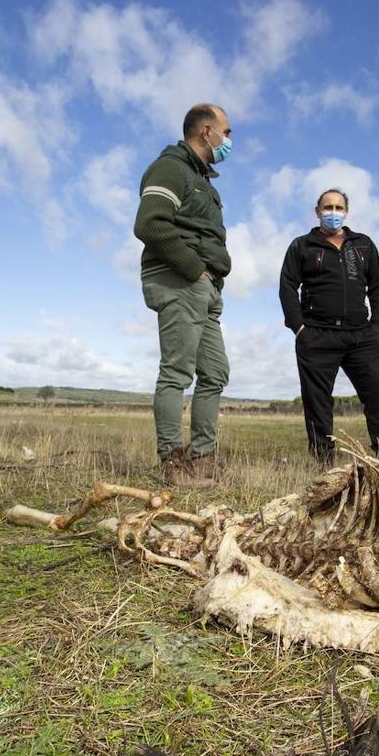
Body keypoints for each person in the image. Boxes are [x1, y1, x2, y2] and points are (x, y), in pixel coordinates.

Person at [133, 103, 233, 486]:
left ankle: (203, 459)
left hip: (204, 289)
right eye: (227, 132)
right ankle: (171, 462)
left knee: (215, 372)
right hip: (180, 280)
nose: (229, 141)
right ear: (207, 132)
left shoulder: (204, 181)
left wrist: (209, 278)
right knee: (177, 370)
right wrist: (194, 268)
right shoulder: (171, 167)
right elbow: (150, 223)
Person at [279, 188, 379, 464]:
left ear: (346, 211)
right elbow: (287, 286)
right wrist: (299, 327)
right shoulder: (301, 246)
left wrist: (377, 323)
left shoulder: (364, 244)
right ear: (317, 211)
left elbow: (378, 284)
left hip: (362, 335)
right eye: (327, 207)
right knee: (317, 402)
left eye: (338, 207)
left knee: (378, 396)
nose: (333, 212)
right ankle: (324, 463)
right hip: (317, 335)